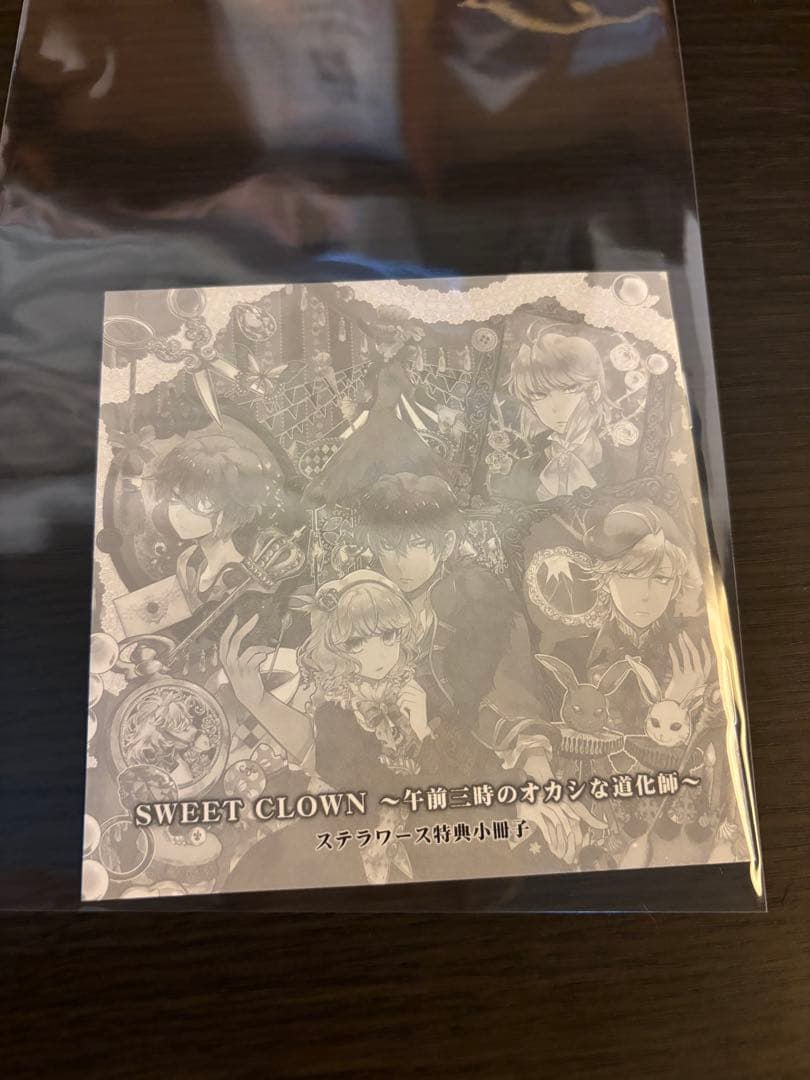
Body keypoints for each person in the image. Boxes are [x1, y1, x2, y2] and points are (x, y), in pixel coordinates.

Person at [354, 472, 606, 864]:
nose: (401, 562)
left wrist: (536, 767)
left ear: (445, 544)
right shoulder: (361, 603)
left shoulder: (480, 606)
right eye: (389, 546)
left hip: (460, 764)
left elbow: (510, 695)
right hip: (378, 771)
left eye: (417, 544)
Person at [154, 432, 287, 608]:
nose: (177, 513)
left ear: (229, 509)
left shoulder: (249, 583)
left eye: (194, 502)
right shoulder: (185, 561)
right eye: (174, 500)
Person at [492, 329, 614, 503]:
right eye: (538, 396)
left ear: (593, 391)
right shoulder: (524, 469)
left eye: (567, 390)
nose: (554, 408)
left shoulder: (621, 463)